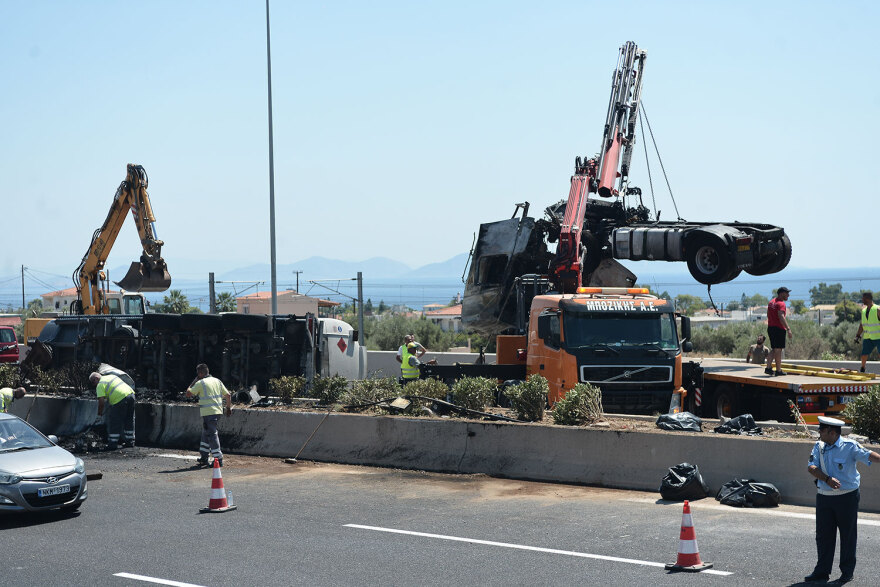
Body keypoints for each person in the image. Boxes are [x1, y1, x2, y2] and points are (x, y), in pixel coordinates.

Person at [805, 416, 880, 585]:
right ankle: (821, 572)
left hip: (847, 498)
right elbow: (811, 467)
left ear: (832, 433)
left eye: (822, 430)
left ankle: (847, 572)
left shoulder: (850, 446)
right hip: (824, 498)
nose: (819, 433)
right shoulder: (819, 446)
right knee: (824, 536)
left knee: (848, 536)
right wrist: (826, 479)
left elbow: (868, 455)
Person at [185, 363, 232, 467]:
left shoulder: (200, 383)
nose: (197, 375)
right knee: (206, 432)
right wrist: (228, 408)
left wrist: (194, 381)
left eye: (198, 373)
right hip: (217, 411)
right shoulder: (217, 381)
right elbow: (228, 395)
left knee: (212, 434)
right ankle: (204, 456)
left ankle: (218, 459)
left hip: (208, 412)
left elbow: (188, 393)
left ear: (201, 373)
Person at [89, 370, 136, 449]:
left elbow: (101, 402)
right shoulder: (111, 377)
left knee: (115, 421)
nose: (93, 385)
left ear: (96, 378)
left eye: (93, 382)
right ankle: (130, 441)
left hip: (119, 399)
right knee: (129, 419)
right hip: (131, 395)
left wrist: (99, 415)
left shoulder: (100, 385)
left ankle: (113, 443)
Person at [764, 286, 793, 376]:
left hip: (771, 328)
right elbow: (781, 316)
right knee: (778, 350)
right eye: (787, 293)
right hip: (778, 329)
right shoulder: (781, 304)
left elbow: (768, 314)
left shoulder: (771, 302)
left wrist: (772, 322)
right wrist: (788, 329)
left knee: (774, 349)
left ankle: (768, 368)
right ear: (781, 293)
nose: (788, 295)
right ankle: (778, 370)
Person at [854, 292, 880, 373]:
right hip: (868, 336)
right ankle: (862, 368)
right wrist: (858, 335)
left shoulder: (877, 309)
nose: (862, 300)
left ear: (868, 298)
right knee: (864, 354)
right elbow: (862, 324)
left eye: (863, 298)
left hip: (878, 336)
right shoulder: (864, 310)